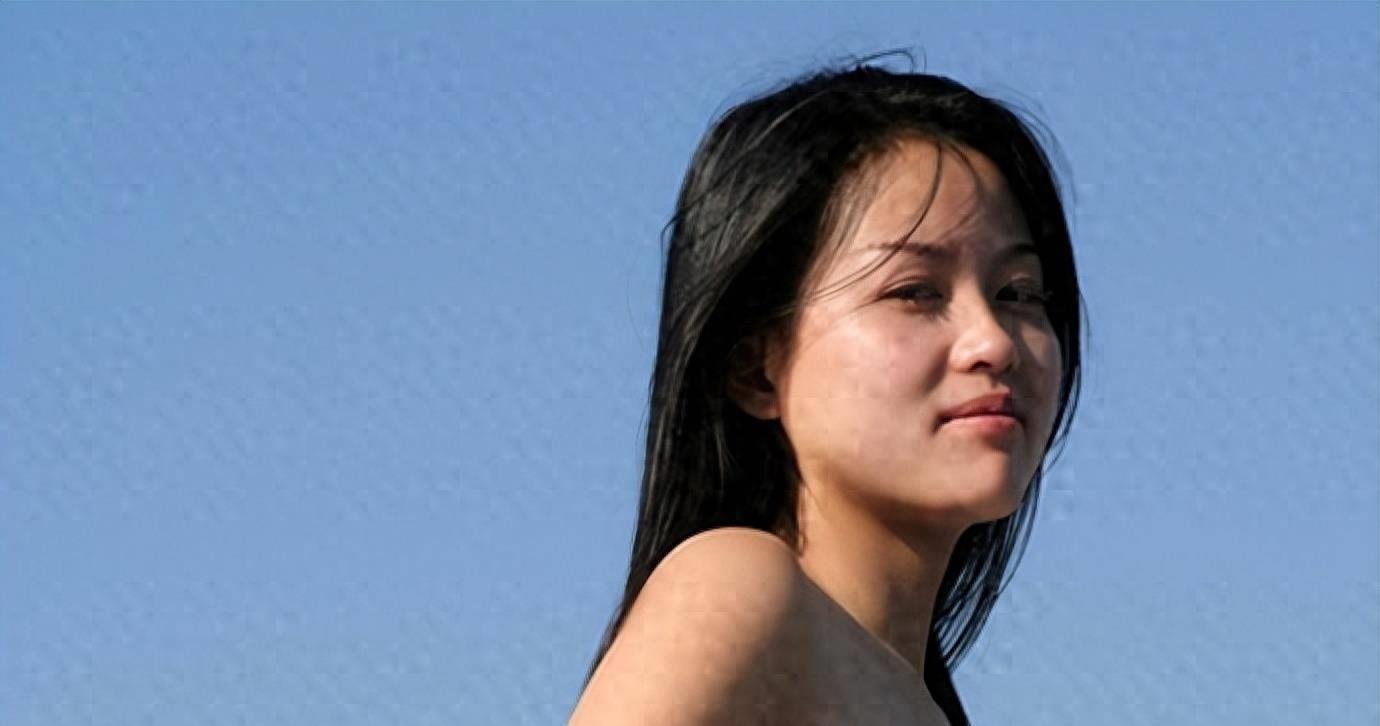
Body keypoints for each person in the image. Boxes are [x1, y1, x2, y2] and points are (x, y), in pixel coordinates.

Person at [568, 50, 1085, 726]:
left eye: (1019, 293)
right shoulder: (741, 588)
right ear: (756, 369)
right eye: (915, 291)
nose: (992, 341)